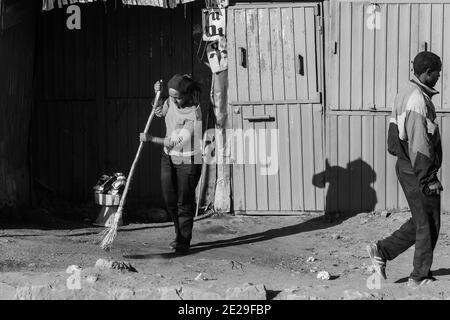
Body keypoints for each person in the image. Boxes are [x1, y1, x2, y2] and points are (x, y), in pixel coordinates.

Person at [367, 51, 443, 287]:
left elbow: (393, 140)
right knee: (428, 222)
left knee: (421, 220)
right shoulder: (418, 101)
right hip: (417, 169)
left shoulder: (404, 93)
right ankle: (419, 277)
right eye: (437, 72)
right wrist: (428, 177)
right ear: (427, 73)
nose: (439, 77)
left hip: (406, 165)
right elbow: (420, 146)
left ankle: (382, 250)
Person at [140, 74, 202, 253]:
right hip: (168, 158)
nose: (174, 101)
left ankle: (183, 242)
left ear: (188, 94)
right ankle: (179, 234)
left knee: (184, 202)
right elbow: (158, 112)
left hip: (189, 160)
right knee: (170, 200)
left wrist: (151, 139)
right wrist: (157, 96)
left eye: (177, 97)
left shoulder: (194, 113)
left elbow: (177, 141)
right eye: (171, 96)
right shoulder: (170, 101)